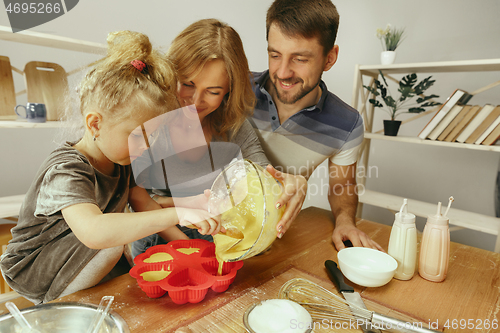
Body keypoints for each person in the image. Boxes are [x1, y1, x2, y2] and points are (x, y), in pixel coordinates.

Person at [0, 31, 221, 304]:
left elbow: (144, 204)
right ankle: (62, 306)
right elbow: (95, 231)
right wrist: (178, 212)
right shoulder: (66, 170)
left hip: (84, 259)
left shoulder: (122, 159)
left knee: (121, 245)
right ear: (95, 124)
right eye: (139, 135)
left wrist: (190, 249)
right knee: (115, 237)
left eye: (153, 136)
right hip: (38, 270)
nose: (147, 146)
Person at [131, 18, 307, 258]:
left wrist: (288, 186)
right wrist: (191, 251)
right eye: (187, 84)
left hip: (214, 241)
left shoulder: (234, 126)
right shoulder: (150, 124)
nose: (194, 101)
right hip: (159, 244)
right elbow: (140, 200)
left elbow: (263, 179)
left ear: (228, 93)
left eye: (213, 92)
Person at [250, 0, 383, 251]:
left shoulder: (347, 124)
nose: (282, 72)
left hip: (276, 236)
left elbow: (342, 185)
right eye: (274, 55)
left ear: (329, 58)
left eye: (299, 59)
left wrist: (344, 222)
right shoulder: (234, 89)